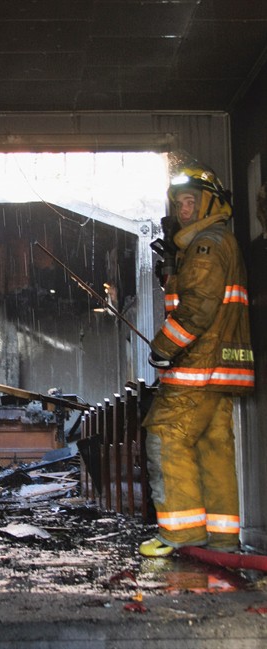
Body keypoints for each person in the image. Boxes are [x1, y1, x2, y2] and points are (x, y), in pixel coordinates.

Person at [140, 163, 255, 557]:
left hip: (197, 367)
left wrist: (162, 348)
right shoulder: (215, 243)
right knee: (212, 447)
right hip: (217, 370)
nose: (183, 209)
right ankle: (222, 539)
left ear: (210, 204)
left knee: (165, 436)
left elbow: (197, 310)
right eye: (179, 203)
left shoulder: (206, 247)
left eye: (190, 201)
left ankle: (183, 533)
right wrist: (171, 271)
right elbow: (193, 301)